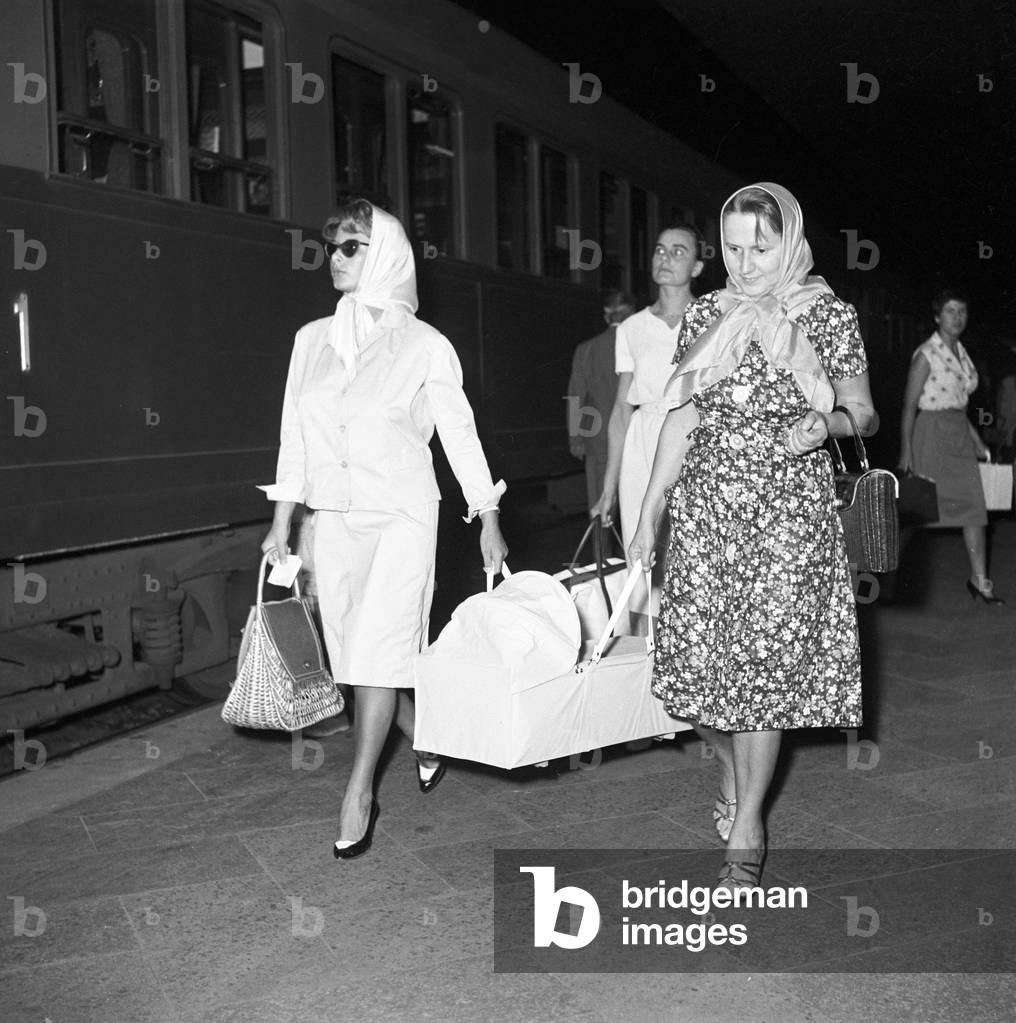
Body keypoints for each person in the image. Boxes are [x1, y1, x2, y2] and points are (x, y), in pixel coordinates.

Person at [629, 183, 876, 889]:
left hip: (788, 512)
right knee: (695, 674)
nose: (746, 263)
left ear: (789, 242)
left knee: (763, 674)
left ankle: (748, 828)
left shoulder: (826, 314)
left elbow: (864, 412)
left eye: (760, 248)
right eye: (733, 248)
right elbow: (683, 416)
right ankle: (735, 771)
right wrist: (649, 510)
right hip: (709, 512)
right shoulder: (707, 312)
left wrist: (826, 424)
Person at [259, 199, 508, 859]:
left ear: (387, 255)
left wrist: (486, 513)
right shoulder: (311, 340)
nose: (335, 258)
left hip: (401, 514)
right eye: (332, 246)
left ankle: (360, 789)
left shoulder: (424, 345)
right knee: (358, 659)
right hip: (334, 518)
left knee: (377, 647)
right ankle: (423, 732)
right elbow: (293, 434)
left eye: (352, 246)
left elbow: (459, 433)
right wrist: (283, 518)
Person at [591, 224, 704, 630]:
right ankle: (648, 648)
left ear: (697, 266)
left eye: (678, 251)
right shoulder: (632, 328)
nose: (665, 258)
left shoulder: (712, 319)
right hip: (642, 441)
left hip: (693, 436)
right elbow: (621, 410)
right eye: (659, 250)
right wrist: (608, 487)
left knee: (692, 547)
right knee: (642, 551)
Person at [898, 290, 1002, 603]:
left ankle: (980, 582)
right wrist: (906, 452)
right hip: (931, 433)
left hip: (958, 434)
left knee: (974, 509)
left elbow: (958, 406)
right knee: (918, 511)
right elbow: (909, 407)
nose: (957, 317)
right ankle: (887, 576)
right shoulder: (926, 354)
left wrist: (977, 441)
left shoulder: (962, 353)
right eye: (950, 311)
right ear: (937, 316)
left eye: (962, 311)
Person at [566, 289, 636, 517]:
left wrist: (576, 440)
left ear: (606, 316)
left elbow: (576, 397)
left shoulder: (586, 349)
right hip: (637, 438)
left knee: (601, 510)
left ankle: (602, 541)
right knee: (637, 510)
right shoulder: (640, 346)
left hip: (598, 441)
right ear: (631, 314)